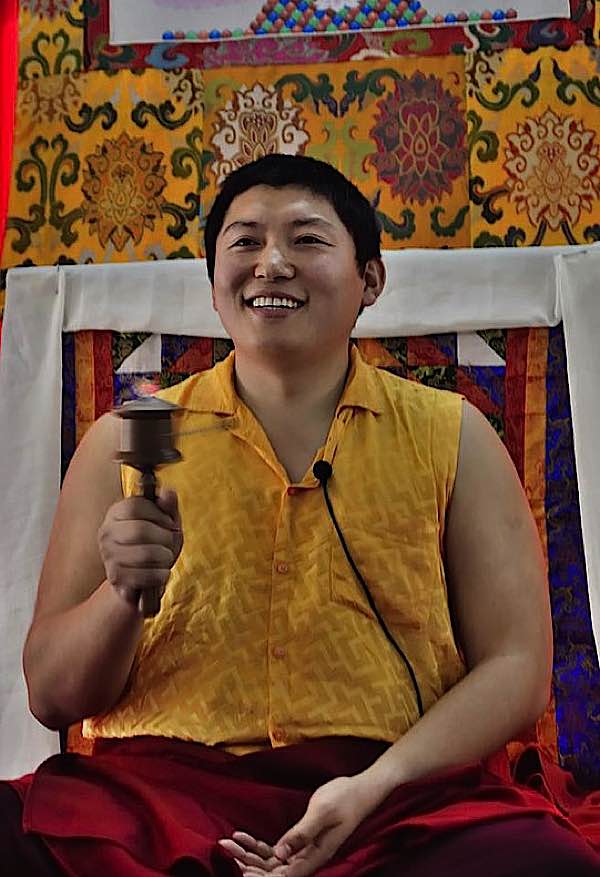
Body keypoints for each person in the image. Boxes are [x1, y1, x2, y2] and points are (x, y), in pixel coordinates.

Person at [2, 154, 599, 876]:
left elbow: (517, 667)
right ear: (213, 286)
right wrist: (122, 596)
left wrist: (374, 785)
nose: (272, 262)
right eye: (245, 241)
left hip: (393, 795)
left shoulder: (455, 435)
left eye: (308, 240)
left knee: (545, 862)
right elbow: (52, 696)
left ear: (369, 280)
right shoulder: (126, 441)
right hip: (157, 797)